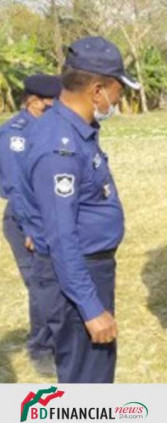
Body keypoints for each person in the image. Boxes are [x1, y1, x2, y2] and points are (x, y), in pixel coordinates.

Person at [17, 36, 140, 383]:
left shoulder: (75, 130)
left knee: (94, 374)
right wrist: (89, 308)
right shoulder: (60, 147)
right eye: (119, 90)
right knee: (87, 381)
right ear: (98, 90)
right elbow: (61, 236)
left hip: (88, 270)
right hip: (75, 278)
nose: (119, 99)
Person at [0, 73, 61, 376]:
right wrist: (31, 230)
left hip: (50, 215)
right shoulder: (15, 135)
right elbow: (15, 188)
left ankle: (57, 338)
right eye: (51, 103)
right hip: (25, 220)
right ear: (34, 101)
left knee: (55, 280)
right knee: (40, 286)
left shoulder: (50, 127)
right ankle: (40, 348)